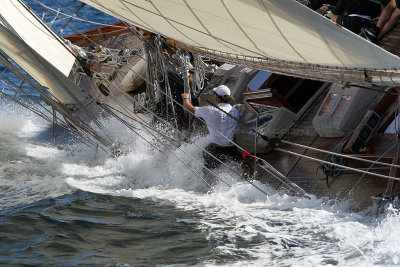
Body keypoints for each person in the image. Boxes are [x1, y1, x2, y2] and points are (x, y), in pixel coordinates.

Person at [181, 85, 240, 170]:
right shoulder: (235, 112)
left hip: (216, 150)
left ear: (217, 97)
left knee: (204, 169)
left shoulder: (210, 110)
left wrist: (185, 98)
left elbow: (191, 109)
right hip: (231, 150)